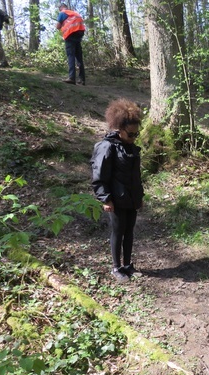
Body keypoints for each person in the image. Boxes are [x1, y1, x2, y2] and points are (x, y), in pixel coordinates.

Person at [91, 99, 144, 282]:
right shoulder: (107, 147)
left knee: (129, 232)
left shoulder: (130, 147)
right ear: (119, 129)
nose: (134, 138)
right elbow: (99, 176)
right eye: (130, 134)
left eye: (136, 134)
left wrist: (139, 196)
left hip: (131, 198)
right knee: (118, 231)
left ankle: (128, 265)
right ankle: (116, 267)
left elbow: (135, 175)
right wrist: (106, 199)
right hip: (116, 200)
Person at [56, 3, 86, 85]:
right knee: (79, 57)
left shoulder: (62, 13)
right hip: (79, 34)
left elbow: (58, 26)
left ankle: (72, 78)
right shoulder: (74, 13)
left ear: (61, 8)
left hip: (70, 34)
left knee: (71, 55)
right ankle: (82, 79)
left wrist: (60, 25)